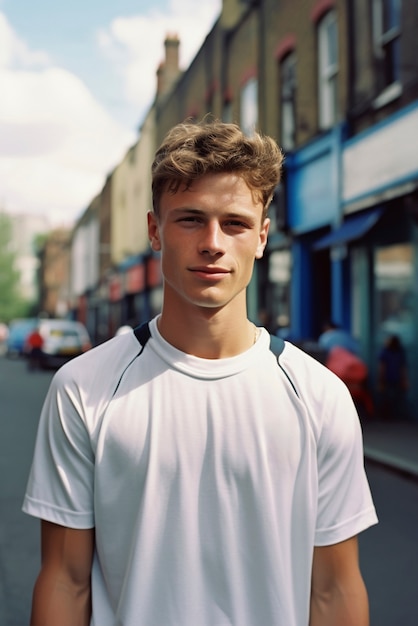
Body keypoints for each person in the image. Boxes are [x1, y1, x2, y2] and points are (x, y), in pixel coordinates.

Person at [23, 120, 377, 626]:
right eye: (190, 220)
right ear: (154, 231)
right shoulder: (83, 388)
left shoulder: (319, 395)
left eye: (234, 223)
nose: (213, 243)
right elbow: (64, 579)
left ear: (261, 237)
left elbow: (335, 589)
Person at [377, 334, 409, 419]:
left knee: (390, 398)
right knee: (389, 398)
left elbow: (382, 368)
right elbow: (402, 368)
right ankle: (390, 415)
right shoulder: (396, 352)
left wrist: (380, 381)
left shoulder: (389, 352)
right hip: (393, 378)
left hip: (390, 378)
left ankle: (389, 416)